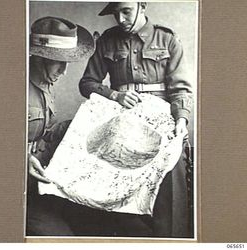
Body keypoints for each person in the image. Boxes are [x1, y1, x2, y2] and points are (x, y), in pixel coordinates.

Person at [79, 2, 193, 237]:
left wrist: (181, 120)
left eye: (126, 11)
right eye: (116, 13)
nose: (120, 18)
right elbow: (87, 83)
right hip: (122, 120)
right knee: (107, 175)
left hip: (162, 120)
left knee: (172, 174)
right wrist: (114, 95)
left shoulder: (167, 39)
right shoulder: (107, 41)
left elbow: (180, 89)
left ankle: (171, 239)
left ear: (142, 5)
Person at [26, 16, 95, 236]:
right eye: (59, 62)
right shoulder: (14, 85)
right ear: (38, 58)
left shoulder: (45, 82)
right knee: (63, 237)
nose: (64, 71)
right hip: (16, 190)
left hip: (41, 176)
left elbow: (41, 131)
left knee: (91, 218)